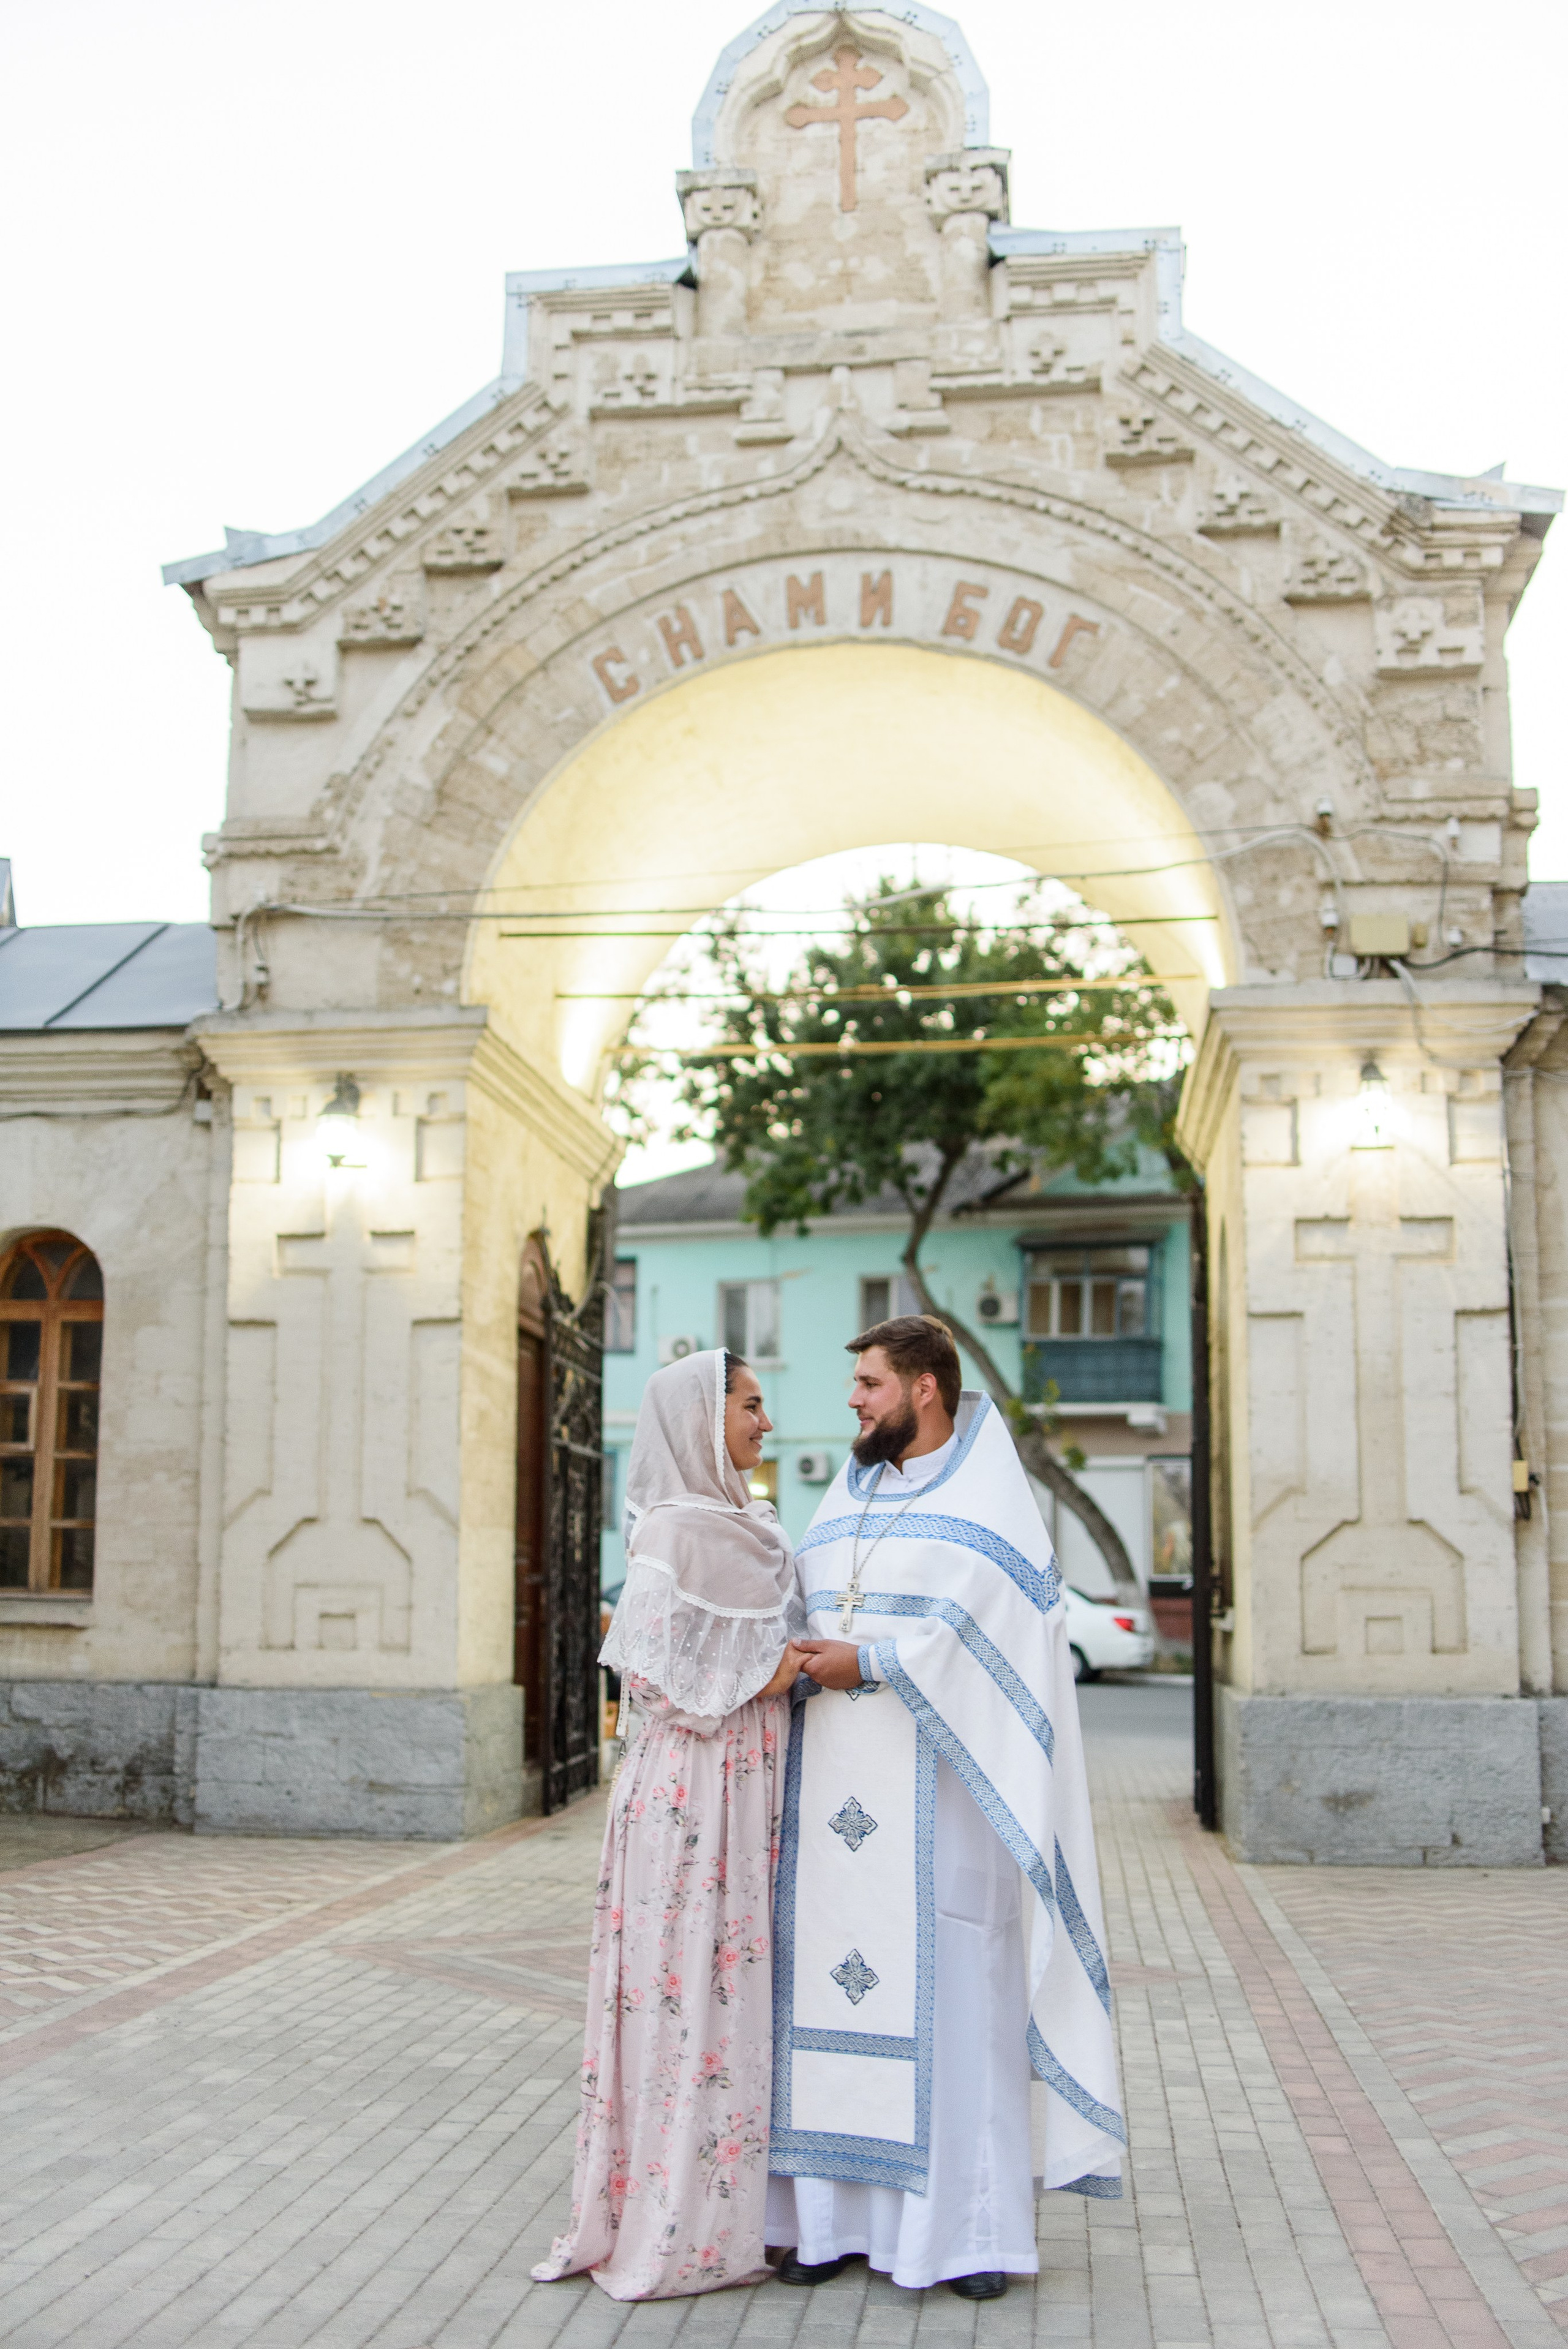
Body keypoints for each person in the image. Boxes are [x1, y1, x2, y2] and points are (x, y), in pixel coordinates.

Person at [765, 1315, 1124, 2299]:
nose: (853, 1400)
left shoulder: (992, 1505)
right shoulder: (850, 1493)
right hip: (831, 1808)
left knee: (961, 2012)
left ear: (925, 1388)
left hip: (948, 1809)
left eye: (870, 1383)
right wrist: (798, 1656)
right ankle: (827, 2227)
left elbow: (1005, 1642)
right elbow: (810, 1604)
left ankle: (968, 2239)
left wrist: (875, 1661)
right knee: (827, 1992)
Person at [533, 1349, 807, 2300]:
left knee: (740, 1991)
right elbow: (649, 1677)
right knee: (685, 1990)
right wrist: (773, 1675)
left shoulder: (759, 1527)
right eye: (750, 1405)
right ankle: (676, 2221)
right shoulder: (672, 1533)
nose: (764, 1422)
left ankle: (744, 2208)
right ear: (700, 1420)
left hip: (753, 1788)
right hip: (691, 1795)